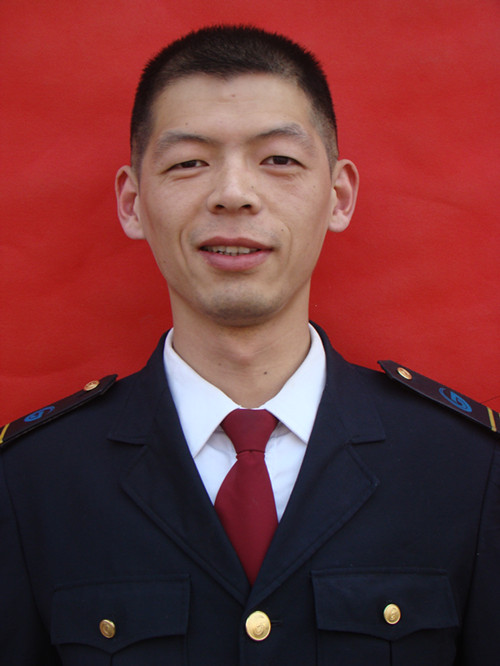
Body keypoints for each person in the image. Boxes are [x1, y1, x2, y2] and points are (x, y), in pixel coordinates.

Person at [0, 25, 498, 665]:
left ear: (339, 196)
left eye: (279, 160)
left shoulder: (466, 469)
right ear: (132, 202)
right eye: (188, 163)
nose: (233, 194)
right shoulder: (31, 482)